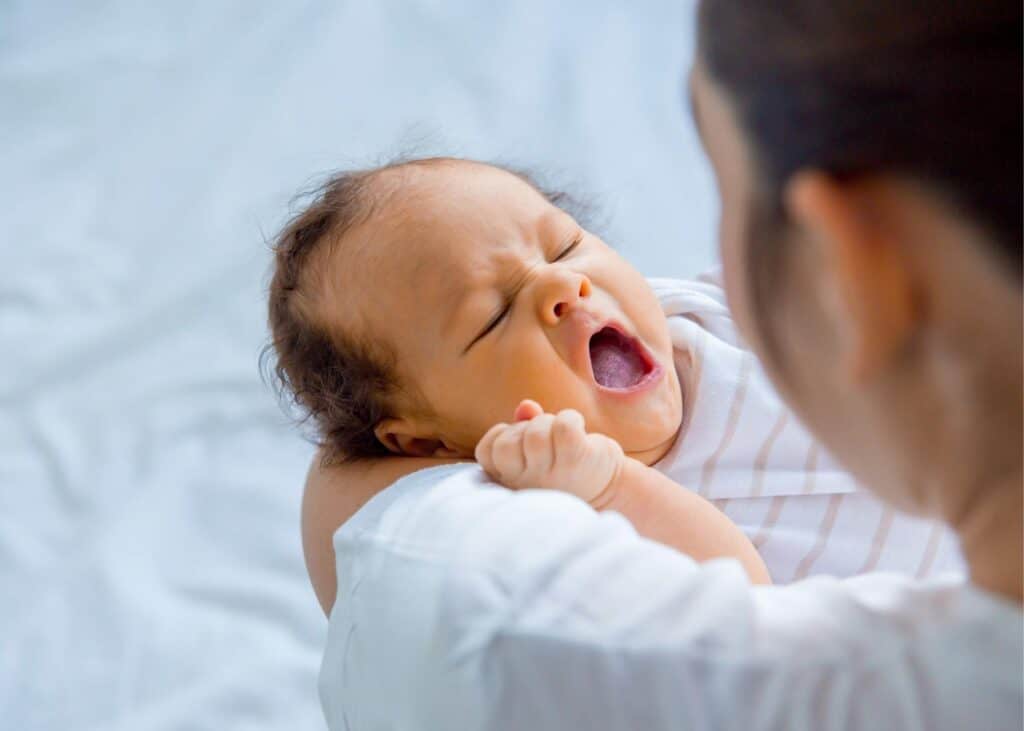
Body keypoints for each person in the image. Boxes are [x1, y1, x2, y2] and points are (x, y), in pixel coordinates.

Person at [306, 1, 1022, 728]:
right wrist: (611, 484)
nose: (564, 288)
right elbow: (744, 599)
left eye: (564, 245)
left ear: (851, 270)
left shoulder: (703, 318)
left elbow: (351, 523)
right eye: (492, 318)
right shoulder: (557, 500)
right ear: (422, 439)